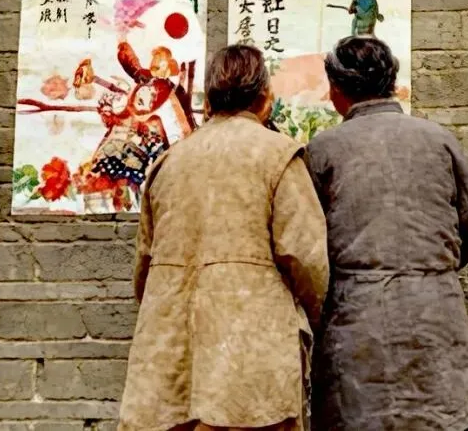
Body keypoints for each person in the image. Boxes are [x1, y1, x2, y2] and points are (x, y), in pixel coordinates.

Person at [118, 45, 329, 431]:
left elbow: (143, 271)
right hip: (249, 361)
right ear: (264, 98)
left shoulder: (169, 163)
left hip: (169, 361)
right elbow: (307, 260)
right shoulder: (279, 156)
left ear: (210, 101)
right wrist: (317, 320)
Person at [304, 36, 468, 431]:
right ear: (391, 83)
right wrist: (429, 269)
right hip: (435, 315)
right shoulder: (439, 140)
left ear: (336, 90)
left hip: (356, 322)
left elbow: (307, 246)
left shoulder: (323, 150)